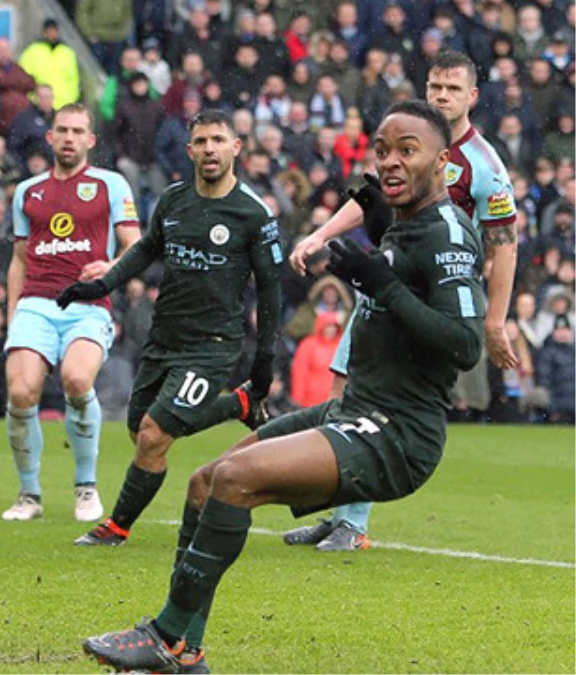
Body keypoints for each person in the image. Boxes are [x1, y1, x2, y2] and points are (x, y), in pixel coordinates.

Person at [81, 101, 485, 673]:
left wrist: (382, 282)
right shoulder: (409, 223)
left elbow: (465, 344)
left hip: (398, 433)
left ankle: (166, 637)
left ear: (442, 163)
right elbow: (405, 277)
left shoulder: (444, 232)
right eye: (383, 150)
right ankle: (186, 652)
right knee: (204, 483)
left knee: (237, 479)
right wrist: (377, 235)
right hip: (356, 410)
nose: (391, 162)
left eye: (408, 151)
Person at [285, 49, 519, 549]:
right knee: (341, 393)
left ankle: (352, 522)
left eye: (452, 89)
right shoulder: (404, 141)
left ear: (472, 97)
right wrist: (319, 235)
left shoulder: (485, 166)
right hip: (383, 283)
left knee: (379, 402)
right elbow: (369, 198)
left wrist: (494, 320)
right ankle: (344, 514)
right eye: (435, 87)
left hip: (430, 301)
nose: (441, 97)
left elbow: (504, 243)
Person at [57, 110, 282, 547]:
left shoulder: (253, 214)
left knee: (154, 435)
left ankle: (116, 527)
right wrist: (100, 285)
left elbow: (271, 290)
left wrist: (265, 359)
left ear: (236, 147)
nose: (210, 149)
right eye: (201, 141)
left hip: (212, 345)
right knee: (140, 428)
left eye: (219, 140)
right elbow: (145, 251)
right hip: (164, 339)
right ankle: (236, 406)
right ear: (190, 149)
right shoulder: (174, 200)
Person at [0, 102, 141, 522]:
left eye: (78, 131)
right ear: (50, 136)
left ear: (90, 140)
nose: (69, 138)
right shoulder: (28, 191)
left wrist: (110, 268)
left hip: (88, 303)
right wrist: (13, 315)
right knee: (21, 391)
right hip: (36, 305)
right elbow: (19, 260)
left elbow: (137, 247)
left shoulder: (111, 184)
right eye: (62, 130)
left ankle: (85, 487)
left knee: (77, 380)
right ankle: (29, 495)